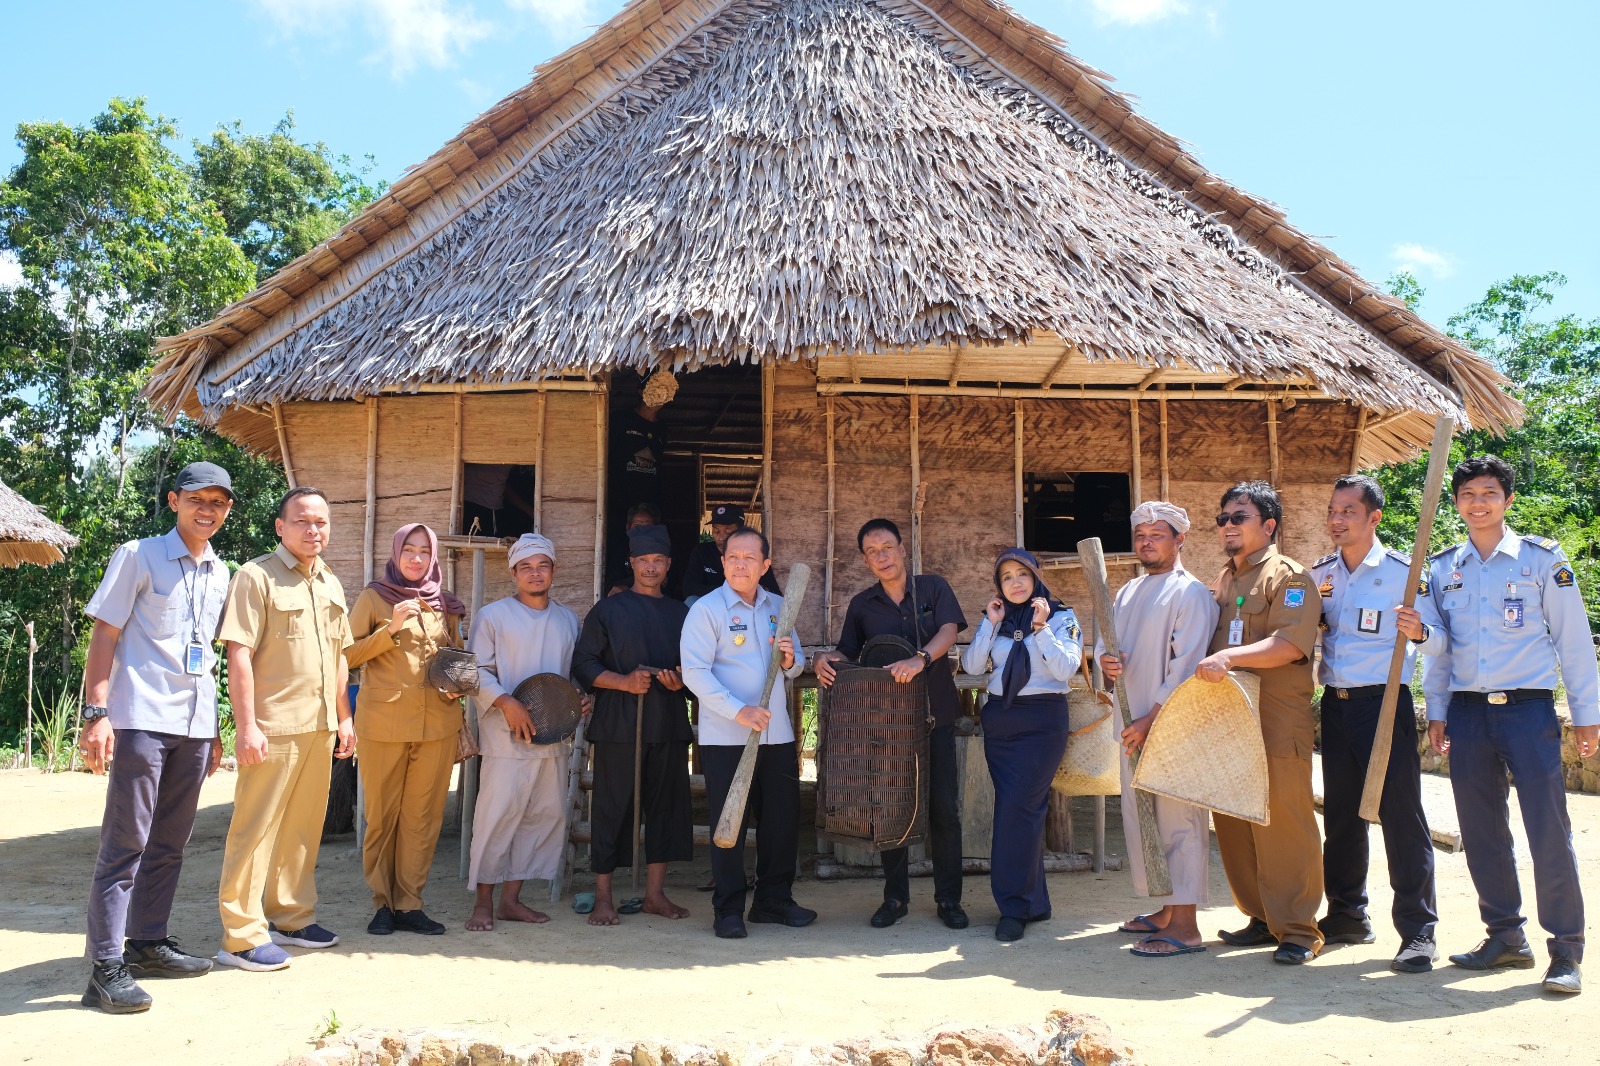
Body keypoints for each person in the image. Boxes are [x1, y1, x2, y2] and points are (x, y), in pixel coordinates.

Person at [1415, 455, 1599, 994]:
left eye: (1489, 493)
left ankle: (1565, 950)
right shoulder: (1444, 569)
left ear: (1508, 500)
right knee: (1481, 831)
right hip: (1469, 714)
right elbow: (1441, 652)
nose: (1479, 503)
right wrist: (1438, 710)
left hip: (1528, 712)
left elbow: (1573, 641)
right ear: (1456, 503)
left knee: (1548, 830)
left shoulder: (1541, 559)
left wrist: (1587, 715)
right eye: (1468, 494)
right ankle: (1505, 937)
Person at [77, 462, 235, 1013]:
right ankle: (105, 969)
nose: (207, 510)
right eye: (197, 499)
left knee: (170, 842)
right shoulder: (138, 555)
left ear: (227, 509)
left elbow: (208, 657)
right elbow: (105, 633)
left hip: (194, 726)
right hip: (141, 717)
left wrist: (215, 729)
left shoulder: (220, 571)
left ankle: (147, 944)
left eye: (218, 502)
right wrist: (96, 713)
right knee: (126, 844)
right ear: (174, 501)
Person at [216, 486, 357, 972]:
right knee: (255, 829)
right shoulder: (255, 576)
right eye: (302, 521)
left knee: (302, 828)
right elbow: (238, 654)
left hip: (320, 727)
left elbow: (339, 657)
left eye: (321, 522)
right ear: (280, 526)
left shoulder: (331, 582)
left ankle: (292, 918)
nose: (313, 529)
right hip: (272, 728)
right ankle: (240, 937)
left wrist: (344, 717)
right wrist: (246, 727)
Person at [1309, 475, 1440, 973]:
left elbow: (1441, 641)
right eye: (1332, 510)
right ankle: (1347, 914)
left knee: (1401, 817)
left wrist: (1421, 632)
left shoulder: (1406, 573)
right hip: (1336, 705)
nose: (1337, 519)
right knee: (1341, 816)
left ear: (1374, 517)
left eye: (1348, 510)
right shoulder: (1321, 575)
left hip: (1385, 703)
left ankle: (1418, 930)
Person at [813, 518, 968, 930]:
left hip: (935, 715)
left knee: (944, 810)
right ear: (866, 561)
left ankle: (949, 899)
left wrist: (921, 659)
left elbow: (950, 630)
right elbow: (847, 653)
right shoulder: (862, 605)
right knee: (888, 805)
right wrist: (823, 659)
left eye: (886, 547)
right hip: (887, 725)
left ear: (902, 549)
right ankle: (895, 898)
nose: (881, 556)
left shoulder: (933, 587)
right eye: (872, 552)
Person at [1194, 481, 1323, 964]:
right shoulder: (1224, 579)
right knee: (1233, 821)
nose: (1227, 526)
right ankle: (1262, 918)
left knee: (1283, 822)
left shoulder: (1290, 578)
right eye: (1222, 519)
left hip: (1275, 720)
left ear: (1268, 525)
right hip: (1230, 721)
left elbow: (1289, 645)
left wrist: (1230, 657)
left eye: (1238, 517)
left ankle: (1299, 930)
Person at [1096, 502, 1218, 958]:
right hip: (1132, 725)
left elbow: (1187, 667)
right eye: (1141, 535)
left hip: (1170, 724)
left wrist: (1151, 720)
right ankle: (1167, 911)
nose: (1146, 542)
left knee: (1179, 821)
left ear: (1179, 539)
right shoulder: (1128, 591)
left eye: (1157, 535)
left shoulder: (1191, 594)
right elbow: (1106, 640)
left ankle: (1186, 927)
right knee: (1142, 816)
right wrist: (1106, 660)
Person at [681, 526, 811, 939]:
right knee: (730, 822)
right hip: (727, 737)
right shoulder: (706, 610)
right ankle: (728, 908)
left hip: (776, 735)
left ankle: (773, 901)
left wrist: (789, 661)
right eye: (733, 557)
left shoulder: (779, 606)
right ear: (722, 563)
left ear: (765, 565)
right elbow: (695, 673)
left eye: (749, 557)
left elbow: (797, 663)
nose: (740, 564)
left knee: (781, 821)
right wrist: (739, 711)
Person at [346, 523, 469, 937]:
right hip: (383, 725)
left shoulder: (445, 604)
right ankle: (382, 903)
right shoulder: (373, 597)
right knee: (383, 817)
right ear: (396, 554)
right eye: (409, 550)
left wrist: (459, 683)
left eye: (424, 551)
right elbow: (346, 655)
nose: (416, 558)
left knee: (423, 819)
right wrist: (391, 628)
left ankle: (409, 904)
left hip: (437, 725)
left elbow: (454, 655)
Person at [573, 524, 694, 926]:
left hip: (668, 723)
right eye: (644, 560)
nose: (651, 567)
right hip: (618, 726)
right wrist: (623, 682)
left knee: (665, 808)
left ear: (668, 564)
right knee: (612, 808)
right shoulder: (608, 610)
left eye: (658, 560)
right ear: (632, 563)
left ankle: (655, 895)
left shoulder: (682, 614)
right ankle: (604, 895)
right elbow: (584, 663)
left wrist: (680, 682)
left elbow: (698, 670)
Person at [960, 548, 1082, 942]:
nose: (1015, 583)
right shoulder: (998, 620)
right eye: (1006, 577)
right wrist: (990, 623)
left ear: (1036, 577)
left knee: (1016, 811)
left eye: (1022, 574)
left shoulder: (1061, 617)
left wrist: (1041, 628)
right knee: (1020, 812)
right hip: (1001, 722)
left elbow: (1066, 669)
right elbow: (972, 667)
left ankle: (1013, 908)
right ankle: (1035, 902)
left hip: (1041, 723)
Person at [465, 533, 582, 932]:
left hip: (553, 738)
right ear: (513, 573)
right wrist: (505, 702)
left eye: (542, 566)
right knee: (497, 817)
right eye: (526, 567)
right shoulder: (493, 616)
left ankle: (511, 901)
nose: (535, 573)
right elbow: (477, 670)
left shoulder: (568, 620)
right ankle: (483, 901)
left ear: (554, 570)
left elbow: (569, 676)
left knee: (541, 817)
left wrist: (580, 700)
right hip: (505, 738)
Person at [682, 505, 781, 604]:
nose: (721, 538)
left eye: (728, 532)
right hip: (712, 604)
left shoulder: (755, 555)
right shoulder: (702, 551)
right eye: (716, 531)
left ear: (741, 531)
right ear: (723, 561)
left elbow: (774, 593)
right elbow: (689, 588)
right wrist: (733, 592)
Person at [607, 502, 663, 596]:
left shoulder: (664, 551)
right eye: (637, 526)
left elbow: (664, 581)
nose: (642, 531)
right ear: (628, 528)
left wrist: (628, 585)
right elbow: (611, 584)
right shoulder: (620, 550)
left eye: (647, 526)